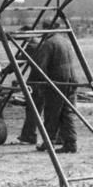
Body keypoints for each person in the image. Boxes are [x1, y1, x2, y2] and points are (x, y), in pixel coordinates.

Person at [34, 22, 79, 153]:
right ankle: (71, 143)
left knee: (52, 112)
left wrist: (40, 84)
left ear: (46, 29)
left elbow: (40, 67)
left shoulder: (48, 44)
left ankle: (49, 142)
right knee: (67, 112)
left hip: (57, 81)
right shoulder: (65, 41)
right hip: (72, 79)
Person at [16, 25, 43, 144]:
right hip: (45, 79)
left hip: (37, 80)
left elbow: (18, 63)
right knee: (45, 108)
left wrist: (4, 71)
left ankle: (29, 135)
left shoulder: (31, 46)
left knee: (32, 108)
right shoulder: (41, 43)